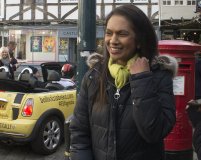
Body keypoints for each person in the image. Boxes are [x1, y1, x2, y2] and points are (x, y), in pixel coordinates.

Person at [69, 5, 177, 160]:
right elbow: (79, 132)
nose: (113, 41)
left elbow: (155, 132)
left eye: (122, 34)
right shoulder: (93, 76)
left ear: (139, 40)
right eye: (109, 33)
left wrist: (142, 79)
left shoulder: (158, 76)